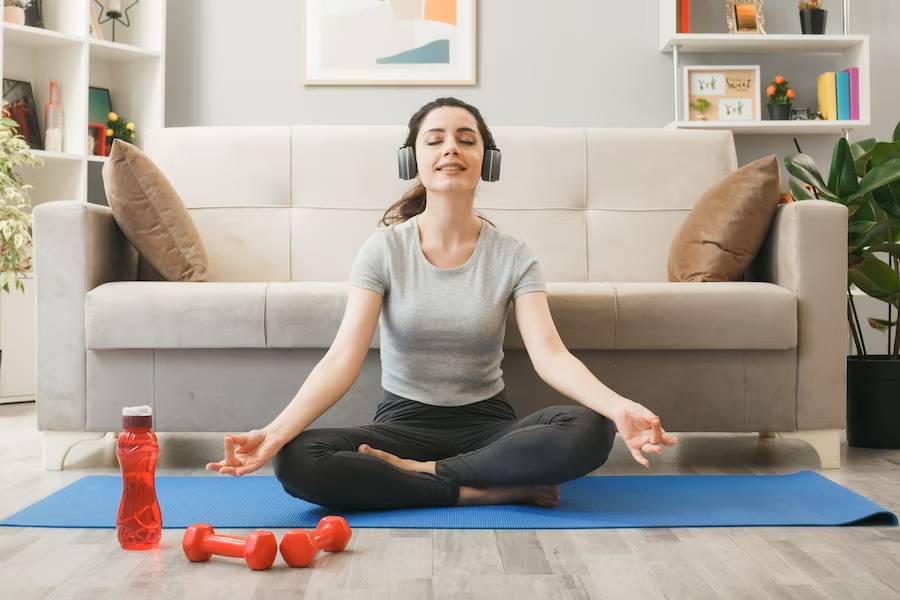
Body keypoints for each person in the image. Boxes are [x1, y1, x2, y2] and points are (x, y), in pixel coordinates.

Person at [207, 97, 678, 510]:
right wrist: (275, 432)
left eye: (465, 139)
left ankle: (425, 473)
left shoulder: (513, 255)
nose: (450, 147)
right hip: (401, 424)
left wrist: (619, 407)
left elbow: (550, 354)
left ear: (486, 161)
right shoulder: (384, 250)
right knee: (297, 460)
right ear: (412, 160)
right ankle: (480, 491)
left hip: (488, 428)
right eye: (434, 140)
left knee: (590, 429)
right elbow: (341, 359)